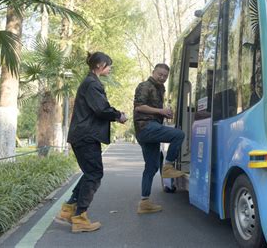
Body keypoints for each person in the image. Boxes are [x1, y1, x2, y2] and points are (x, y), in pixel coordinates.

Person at [56, 52, 127, 233]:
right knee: (94, 173)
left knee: (90, 172)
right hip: (86, 136)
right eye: (109, 65)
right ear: (100, 65)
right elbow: (101, 110)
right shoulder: (92, 84)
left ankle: (69, 209)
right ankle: (80, 217)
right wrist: (119, 115)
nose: (110, 69)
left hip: (83, 135)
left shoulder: (90, 82)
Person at [133, 63, 185, 214]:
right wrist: (161, 111)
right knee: (178, 134)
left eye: (165, 76)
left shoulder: (160, 88)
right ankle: (168, 167)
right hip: (146, 127)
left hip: (151, 129)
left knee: (151, 167)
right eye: (159, 74)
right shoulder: (145, 85)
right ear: (153, 72)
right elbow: (139, 107)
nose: (162, 77)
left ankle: (144, 202)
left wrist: (165, 114)